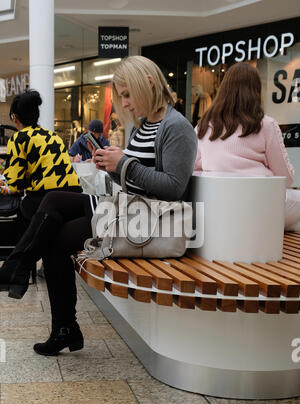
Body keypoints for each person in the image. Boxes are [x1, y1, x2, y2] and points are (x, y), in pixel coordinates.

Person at [0, 56, 197, 356]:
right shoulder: (143, 126)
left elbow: (173, 188)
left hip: (147, 220)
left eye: (128, 94)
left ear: (149, 84)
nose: (126, 104)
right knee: (52, 201)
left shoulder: (176, 127)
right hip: (128, 208)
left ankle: (41, 299)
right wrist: (111, 165)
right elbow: (136, 178)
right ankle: (23, 274)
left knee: (54, 234)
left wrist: (124, 163)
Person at [194, 62, 300, 232]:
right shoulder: (266, 125)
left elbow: (194, 166)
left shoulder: (203, 125)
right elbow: (286, 179)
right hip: (258, 206)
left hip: (218, 206)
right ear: (256, 91)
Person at [2, 89, 82, 221]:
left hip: (46, 200)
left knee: (24, 206)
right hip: (75, 197)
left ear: (14, 118)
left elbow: (14, 184)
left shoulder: (19, 138)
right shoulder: (53, 136)